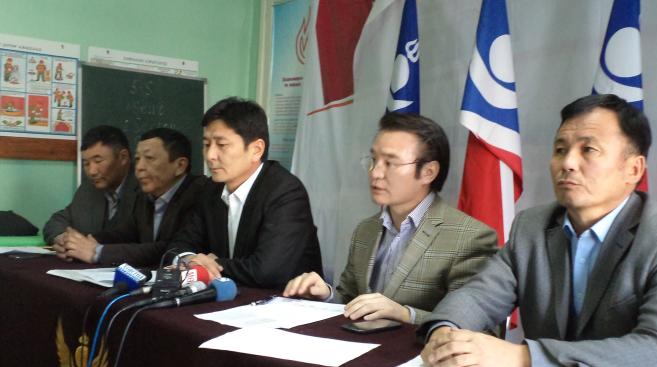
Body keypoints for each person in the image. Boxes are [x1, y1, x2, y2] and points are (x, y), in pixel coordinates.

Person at [419, 95, 657, 367]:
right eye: (560, 149)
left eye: (588, 150)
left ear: (633, 169)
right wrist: (446, 330)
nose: (567, 163)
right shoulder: (532, 226)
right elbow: (479, 295)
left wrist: (525, 358)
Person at [284, 113, 498, 324]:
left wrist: (405, 314)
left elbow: (475, 327)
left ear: (429, 172)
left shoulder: (469, 238)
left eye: (390, 163)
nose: (375, 173)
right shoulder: (366, 230)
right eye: (373, 160)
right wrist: (326, 295)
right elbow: (351, 300)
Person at [167, 97, 322, 288]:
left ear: (256, 150)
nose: (210, 155)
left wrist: (211, 266)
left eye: (221, 145)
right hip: (232, 298)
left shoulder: (286, 192)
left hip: (284, 301)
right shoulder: (210, 189)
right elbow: (178, 244)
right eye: (206, 144)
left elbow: (266, 271)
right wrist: (189, 259)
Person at [58, 128, 206, 267]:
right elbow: (125, 234)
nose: (139, 167)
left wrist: (97, 252)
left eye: (149, 158)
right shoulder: (146, 196)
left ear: (180, 166)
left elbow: (169, 249)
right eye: (138, 158)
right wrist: (80, 243)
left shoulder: (200, 194)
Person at [44, 125, 139, 247]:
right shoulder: (88, 189)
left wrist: (90, 247)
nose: (92, 171)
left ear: (123, 157)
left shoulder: (145, 187)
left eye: (98, 161)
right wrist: (63, 238)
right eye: (86, 163)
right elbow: (56, 222)